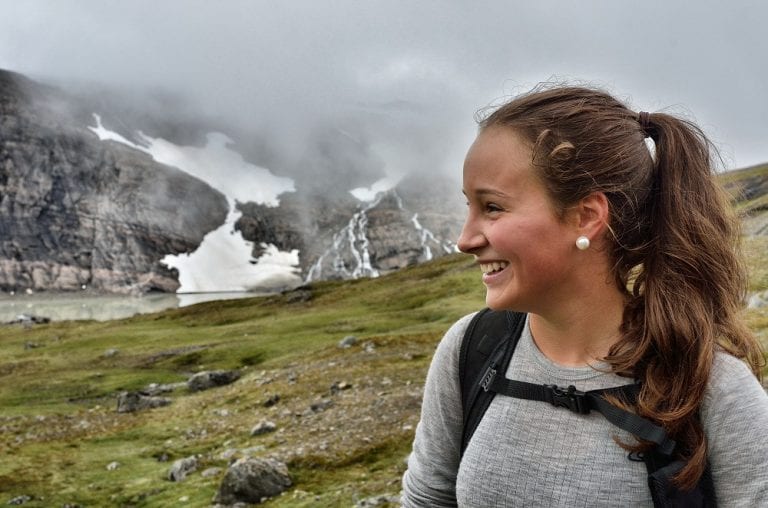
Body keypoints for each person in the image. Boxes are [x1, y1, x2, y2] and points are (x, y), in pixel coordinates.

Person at [401, 84, 768, 506]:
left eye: (493, 207)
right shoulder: (470, 349)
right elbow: (428, 499)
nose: (465, 239)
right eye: (469, 205)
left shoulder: (711, 385)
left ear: (586, 217)